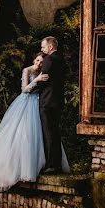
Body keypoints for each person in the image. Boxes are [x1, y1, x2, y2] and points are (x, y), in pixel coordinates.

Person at [0, 53, 69, 191]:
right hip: (26, 103)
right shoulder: (27, 70)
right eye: (37, 60)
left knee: (39, 135)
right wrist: (36, 79)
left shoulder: (43, 72)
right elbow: (24, 89)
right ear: (34, 60)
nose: (39, 63)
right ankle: (19, 167)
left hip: (39, 104)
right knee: (23, 133)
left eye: (41, 62)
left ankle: (42, 165)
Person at [35, 36, 66, 174]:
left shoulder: (49, 59)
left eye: (43, 47)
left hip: (47, 101)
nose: (42, 49)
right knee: (56, 132)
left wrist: (36, 81)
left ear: (50, 47)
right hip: (57, 101)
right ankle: (57, 164)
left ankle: (51, 165)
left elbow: (43, 80)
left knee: (48, 133)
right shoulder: (62, 60)